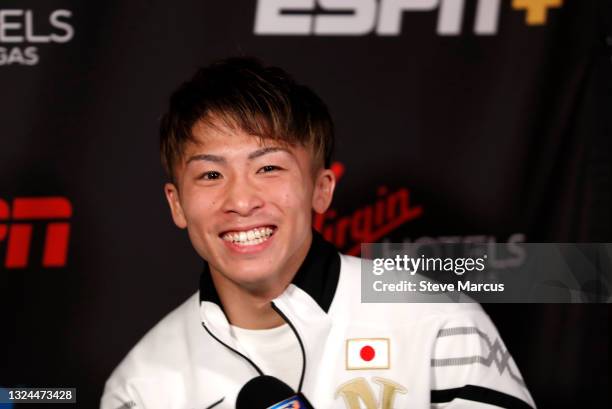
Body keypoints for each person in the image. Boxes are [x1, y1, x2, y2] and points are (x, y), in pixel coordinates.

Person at [100, 57, 535, 409]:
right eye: (211, 174)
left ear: (321, 189)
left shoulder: (435, 320)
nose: (241, 200)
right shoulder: (142, 386)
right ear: (177, 204)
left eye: (268, 168)